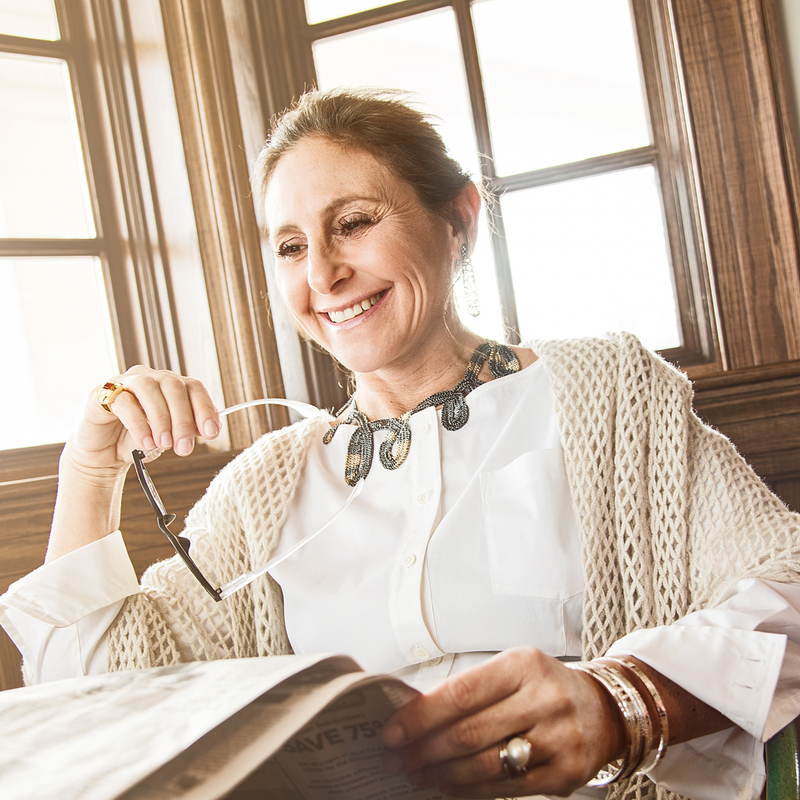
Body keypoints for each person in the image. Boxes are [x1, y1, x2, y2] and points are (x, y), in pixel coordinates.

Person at [2, 88, 800, 800]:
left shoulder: (607, 394)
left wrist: (623, 702)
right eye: (289, 247)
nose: (322, 273)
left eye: (352, 223)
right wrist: (90, 464)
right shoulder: (265, 488)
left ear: (459, 220)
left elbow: (789, 585)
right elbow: (97, 701)